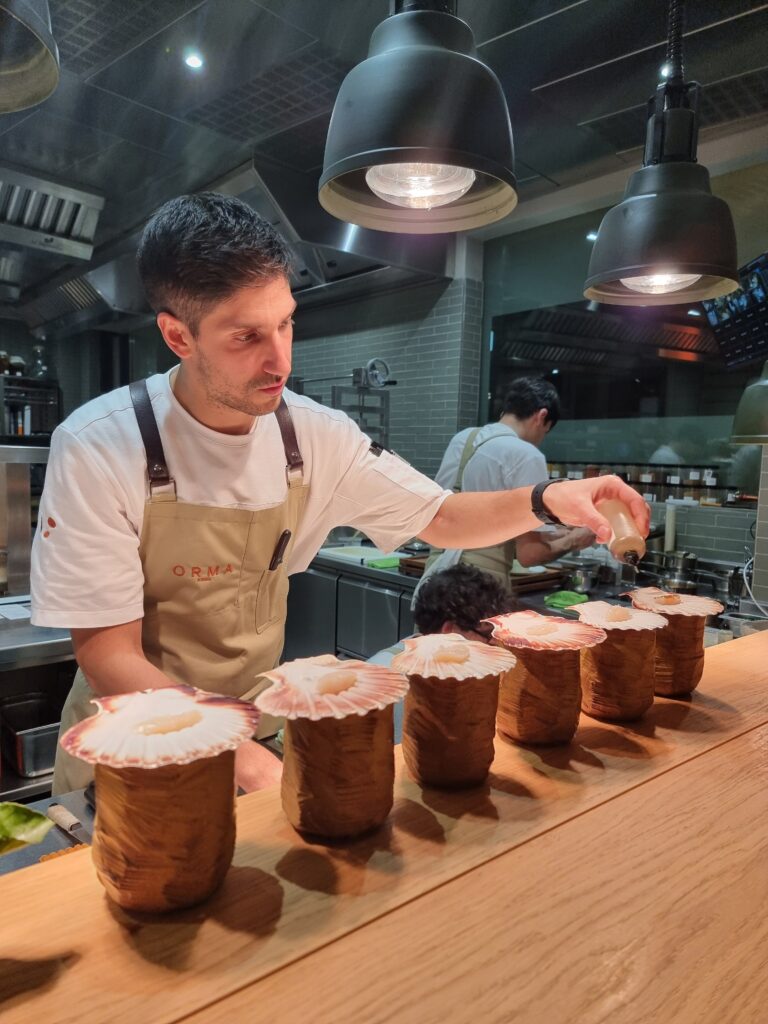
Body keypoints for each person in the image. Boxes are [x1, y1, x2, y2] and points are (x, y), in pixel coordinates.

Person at [30, 192, 648, 795]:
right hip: (132, 750)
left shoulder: (312, 435)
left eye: (285, 323)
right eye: (246, 337)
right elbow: (108, 654)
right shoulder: (100, 444)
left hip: (256, 735)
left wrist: (546, 498)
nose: (279, 361)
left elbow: (441, 516)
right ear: (178, 337)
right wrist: (247, 764)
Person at [425, 377, 595, 589]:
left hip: (434, 578)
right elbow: (529, 555)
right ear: (541, 416)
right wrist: (576, 539)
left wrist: (557, 531)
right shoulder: (527, 455)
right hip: (478, 587)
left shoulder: (463, 439)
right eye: (546, 430)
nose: (541, 438)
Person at [368, 563, 516, 741]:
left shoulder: (466, 678)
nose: (497, 644)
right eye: (488, 634)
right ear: (449, 632)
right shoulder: (382, 682)